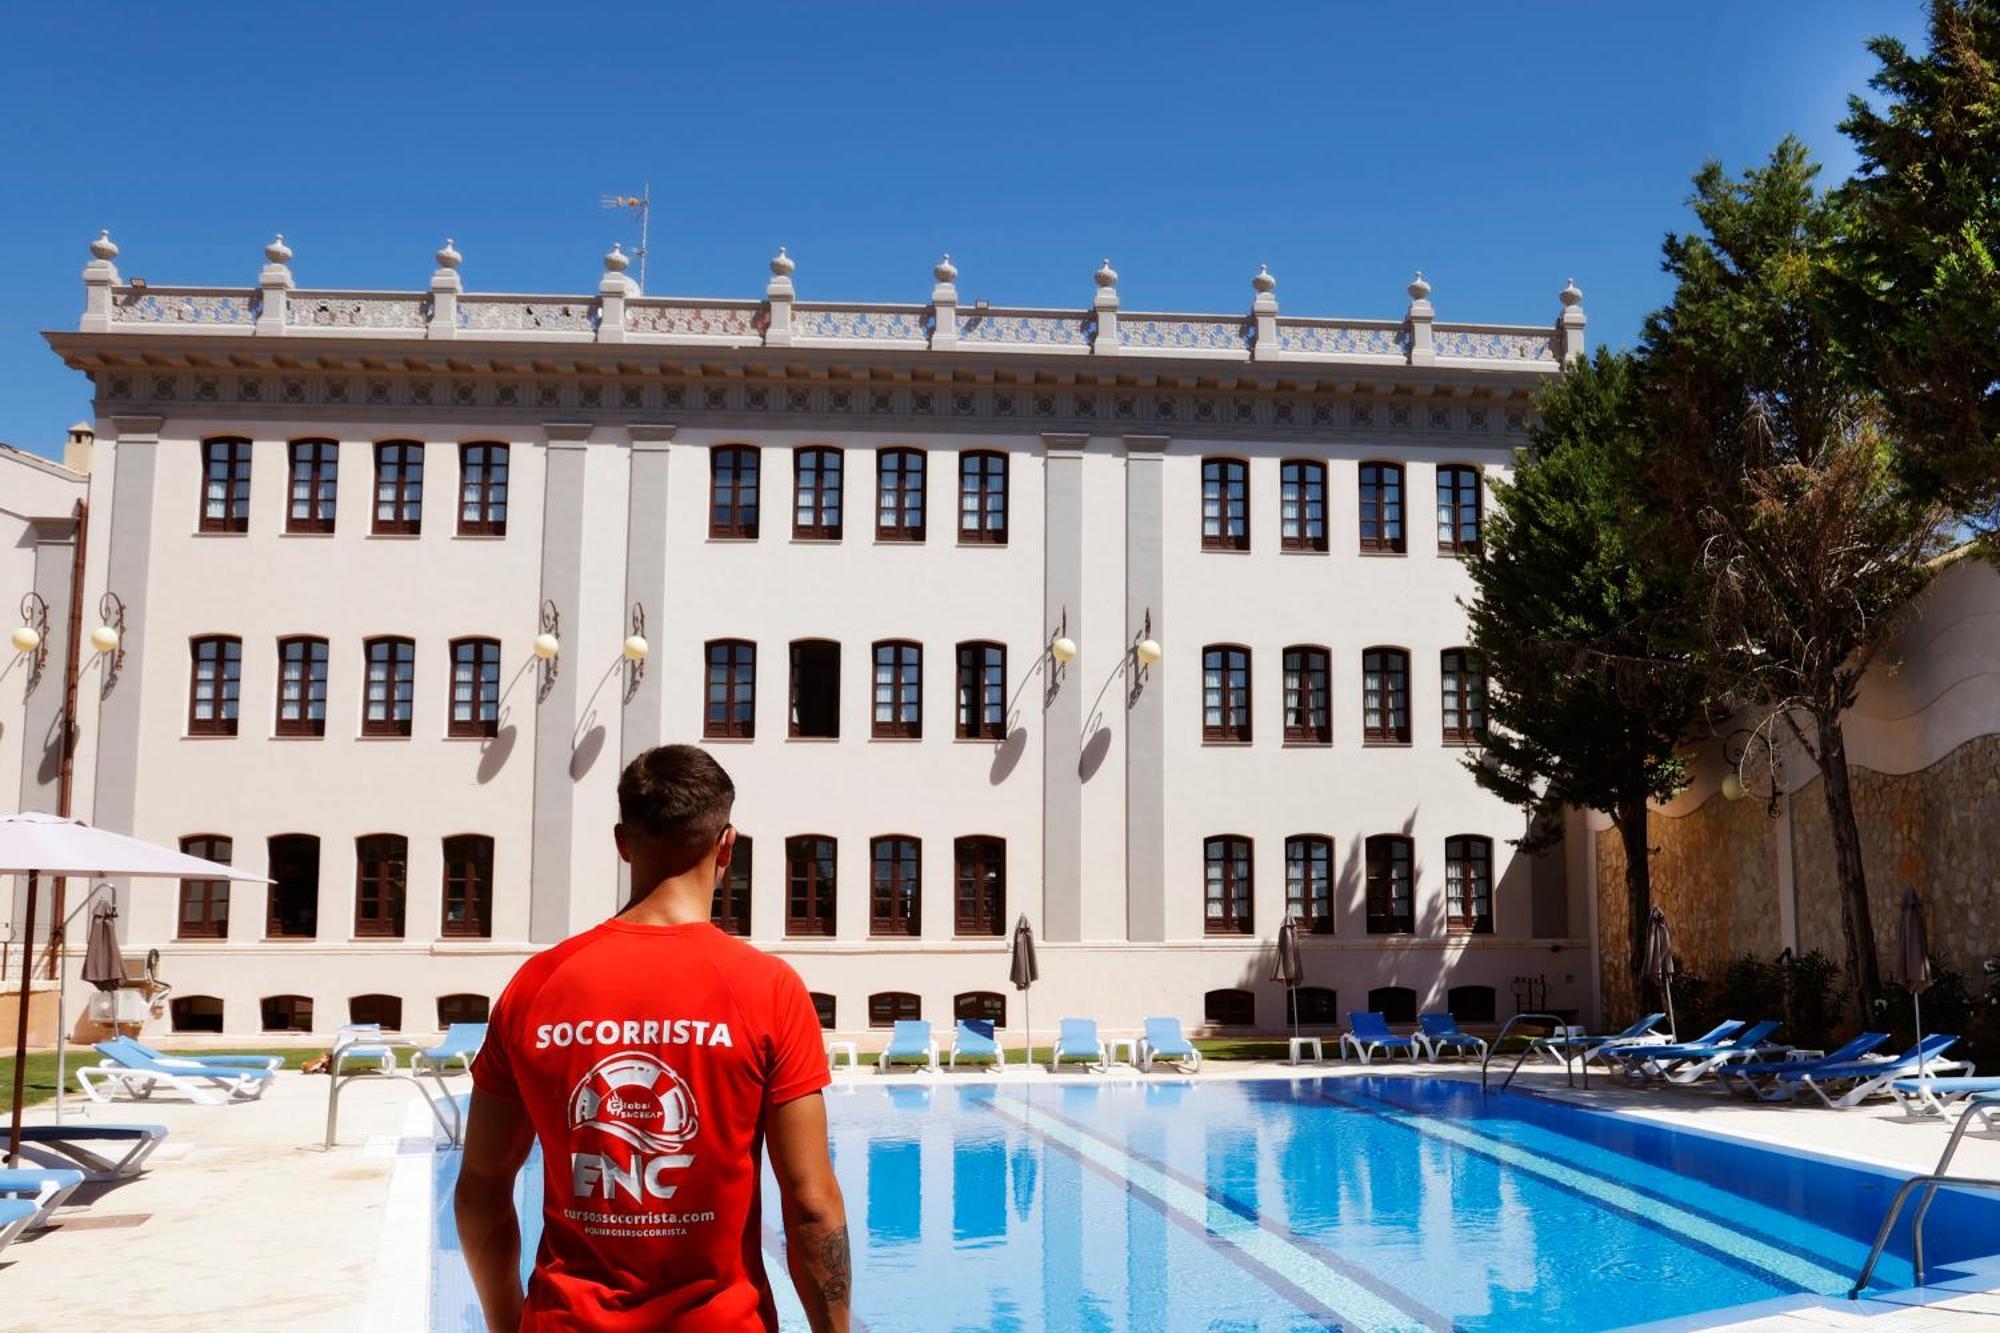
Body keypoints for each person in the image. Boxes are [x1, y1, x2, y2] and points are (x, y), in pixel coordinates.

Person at [455, 744, 850, 1331]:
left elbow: (482, 1190)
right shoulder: (766, 990)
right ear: (727, 845)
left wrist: (506, 1324)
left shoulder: (536, 986)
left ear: (622, 842)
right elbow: (812, 1204)